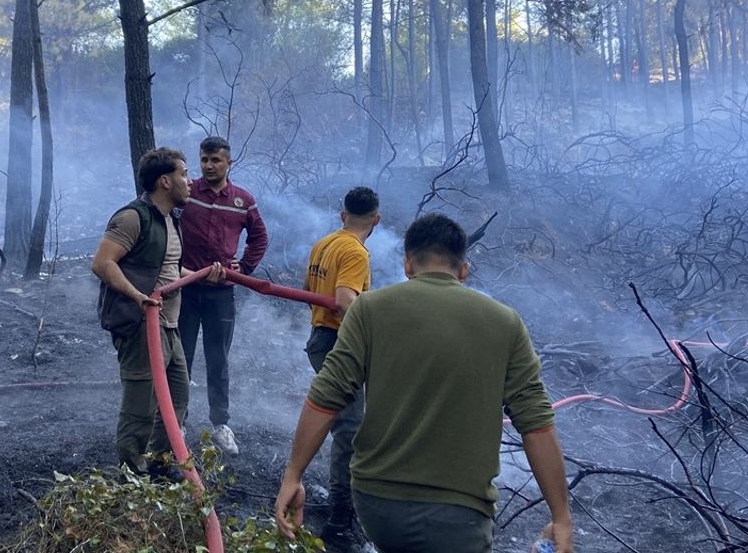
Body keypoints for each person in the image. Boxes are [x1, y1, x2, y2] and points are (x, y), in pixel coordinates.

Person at [274, 214, 575, 553]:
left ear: (407, 265)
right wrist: (561, 516)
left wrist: (293, 475)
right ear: (464, 270)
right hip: (459, 515)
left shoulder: (368, 310)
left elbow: (325, 397)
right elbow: (536, 422)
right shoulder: (506, 323)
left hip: (376, 505)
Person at [92, 147, 223, 477]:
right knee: (141, 405)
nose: (190, 180)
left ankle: (161, 465)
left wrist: (200, 273)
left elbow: (166, 273)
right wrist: (138, 297)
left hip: (168, 325)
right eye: (183, 173)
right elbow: (102, 263)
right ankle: (131, 476)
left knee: (177, 396)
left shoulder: (169, 220)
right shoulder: (132, 217)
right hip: (140, 325)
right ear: (165, 181)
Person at [301, 186, 381, 551]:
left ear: (342, 214)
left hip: (320, 338)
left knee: (346, 423)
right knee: (349, 428)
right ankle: (339, 517)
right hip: (338, 343)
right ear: (376, 220)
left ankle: (342, 503)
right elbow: (346, 301)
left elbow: (309, 289)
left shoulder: (325, 244)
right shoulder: (355, 252)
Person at [178, 136, 269, 456]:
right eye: (204, 159)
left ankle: (221, 424)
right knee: (181, 357)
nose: (208, 165)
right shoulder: (186, 193)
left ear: (229, 162)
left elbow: (259, 237)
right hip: (185, 289)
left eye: (215, 160)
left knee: (218, 360)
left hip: (221, 293)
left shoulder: (243, 200)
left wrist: (243, 266)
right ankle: (178, 421)